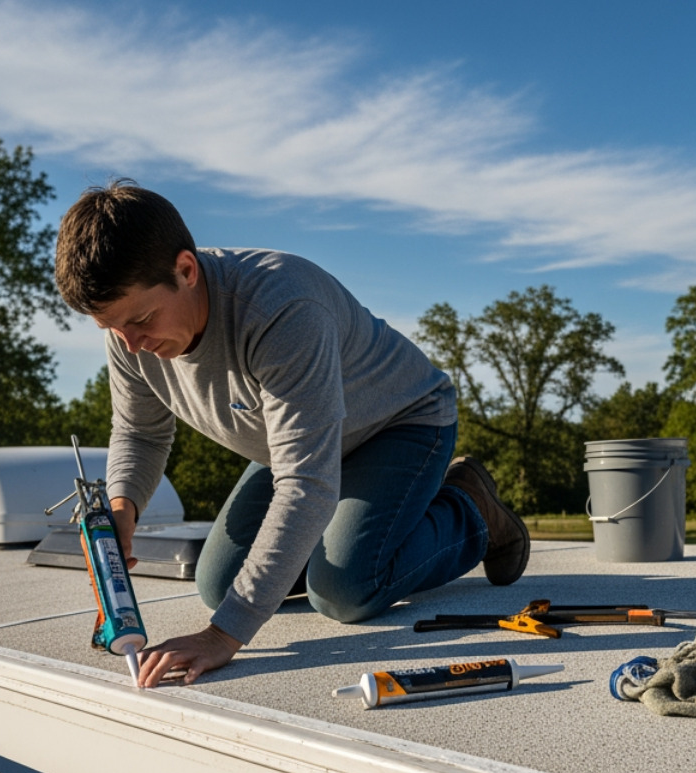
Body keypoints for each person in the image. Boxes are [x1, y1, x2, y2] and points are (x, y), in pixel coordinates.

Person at [54, 182, 529, 687]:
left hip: (401, 423)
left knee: (343, 589)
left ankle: (471, 511)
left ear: (186, 270)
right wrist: (121, 512)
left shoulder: (281, 307)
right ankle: (357, 527)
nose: (133, 345)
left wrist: (223, 636)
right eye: (111, 329)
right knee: (219, 585)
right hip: (298, 443)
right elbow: (139, 430)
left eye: (141, 321)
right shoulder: (130, 331)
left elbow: (307, 484)